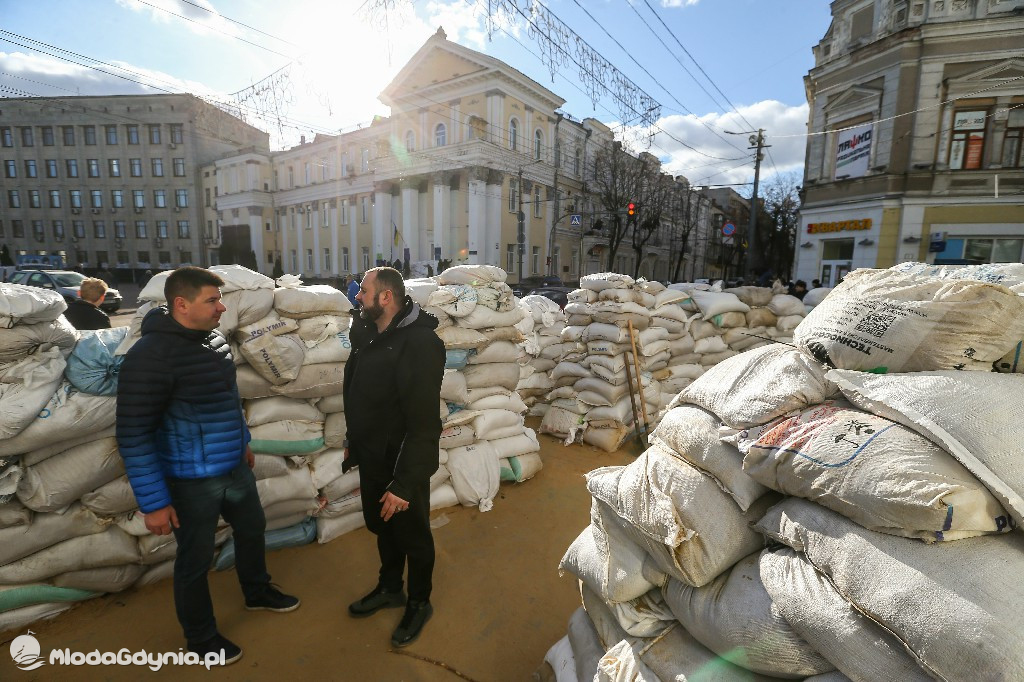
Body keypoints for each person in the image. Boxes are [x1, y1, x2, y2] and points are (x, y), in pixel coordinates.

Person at [116, 267, 299, 666]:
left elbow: (228, 399)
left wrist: (244, 442)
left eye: (221, 299)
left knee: (252, 528)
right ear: (181, 305)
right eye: (212, 300)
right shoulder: (150, 358)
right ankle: (201, 638)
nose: (221, 307)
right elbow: (134, 435)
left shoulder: (213, 340)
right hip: (191, 481)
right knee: (194, 561)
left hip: (232, 466)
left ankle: (257, 592)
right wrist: (153, 502)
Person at [342, 267, 445, 648]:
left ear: (385, 297)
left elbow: (424, 422)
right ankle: (390, 588)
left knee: (413, 537)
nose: (357, 297)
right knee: (383, 528)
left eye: (363, 292)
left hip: (402, 463)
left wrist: (404, 483)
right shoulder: (371, 335)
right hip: (372, 456)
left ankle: (419, 602)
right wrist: (355, 440)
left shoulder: (418, 344)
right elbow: (361, 393)